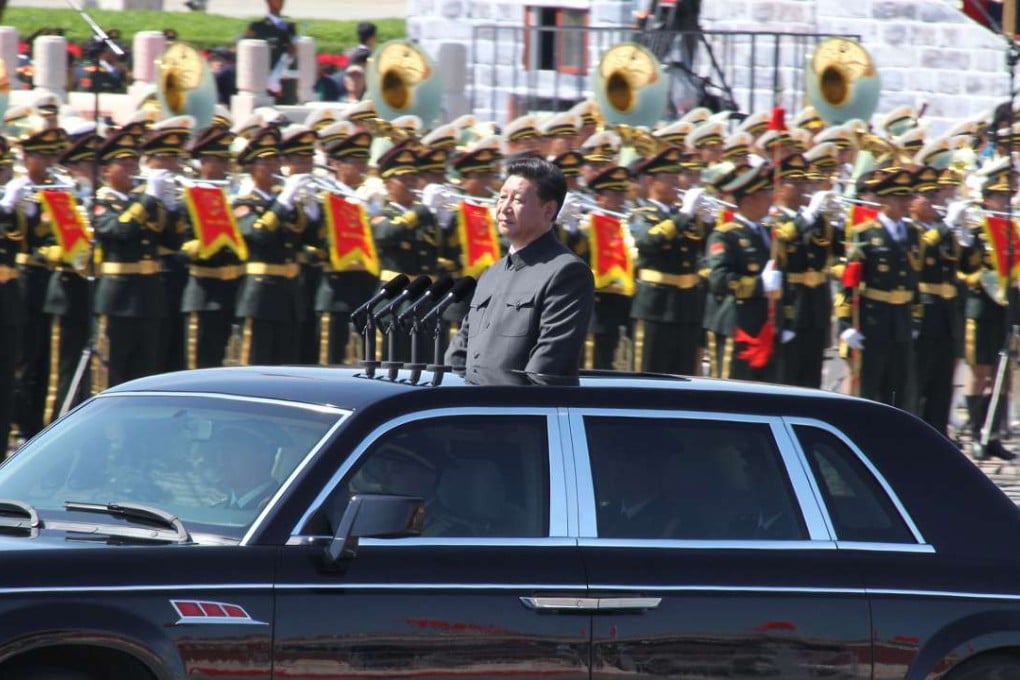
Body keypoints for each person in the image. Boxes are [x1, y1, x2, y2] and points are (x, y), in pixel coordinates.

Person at [445, 156, 595, 385]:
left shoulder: (565, 272)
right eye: (502, 197)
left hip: (523, 414)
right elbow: (459, 353)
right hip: (475, 411)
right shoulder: (492, 273)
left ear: (549, 210)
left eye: (517, 200)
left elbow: (547, 366)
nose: (504, 207)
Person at [245, 0, 299, 105]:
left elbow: (293, 52)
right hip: (265, 80)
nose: (281, 2)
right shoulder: (258, 27)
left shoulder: (289, 26)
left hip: (284, 79)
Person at [214, 425, 279, 510]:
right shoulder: (216, 510)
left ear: (264, 458)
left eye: (232, 450)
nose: (222, 460)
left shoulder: (279, 507)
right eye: (221, 450)